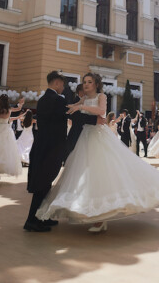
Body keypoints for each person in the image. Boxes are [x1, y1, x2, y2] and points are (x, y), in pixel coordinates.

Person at [36, 73, 159, 233]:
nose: (86, 84)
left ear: (97, 84)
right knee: (86, 176)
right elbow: (74, 110)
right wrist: (70, 107)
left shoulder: (101, 96)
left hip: (99, 137)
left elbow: (101, 110)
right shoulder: (83, 99)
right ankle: (94, 213)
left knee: (103, 173)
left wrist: (81, 107)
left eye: (89, 82)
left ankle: (100, 220)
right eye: (84, 82)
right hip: (86, 137)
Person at [24, 71, 99, 232]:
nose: (63, 88)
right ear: (57, 83)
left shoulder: (44, 99)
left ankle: (40, 217)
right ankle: (32, 220)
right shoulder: (56, 99)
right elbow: (73, 115)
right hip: (51, 147)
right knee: (43, 184)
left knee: (44, 183)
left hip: (44, 145)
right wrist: (96, 120)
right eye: (62, 84)